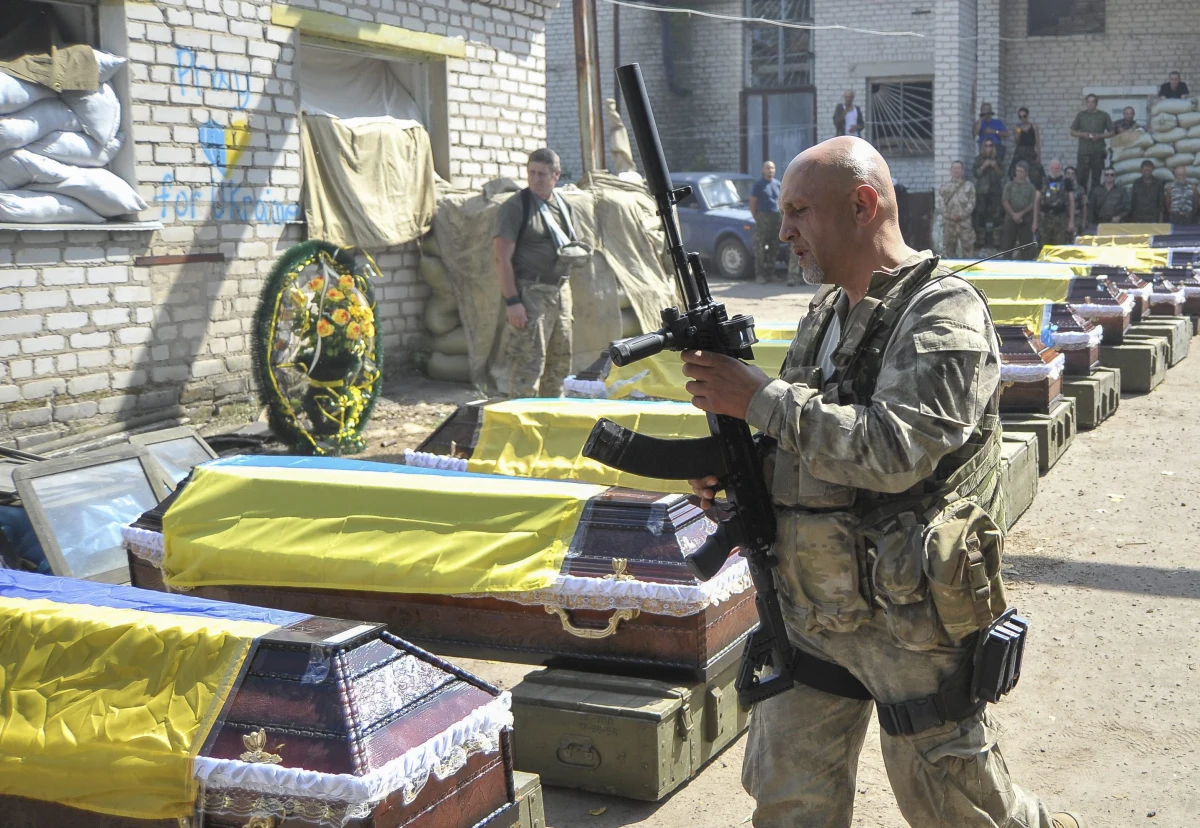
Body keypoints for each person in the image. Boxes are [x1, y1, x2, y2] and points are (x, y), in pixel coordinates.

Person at [682, 135, 1088, 828]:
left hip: (913, 625)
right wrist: (746, 465)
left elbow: (893, 449)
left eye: (800, 211)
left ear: (864, 205)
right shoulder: (825, 313)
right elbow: (806, 433)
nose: (783, 231)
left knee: (960, 808)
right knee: (789, 802)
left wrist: (760, 400)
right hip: (813, 610)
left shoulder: (943, 313)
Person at [493, 148, 576, 398]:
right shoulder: (516, 207)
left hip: (560, 292)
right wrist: (513, 301)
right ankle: (522, 429)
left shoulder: (563, 206)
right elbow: (501, 258)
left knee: (559, 365)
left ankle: (552, 423)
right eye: (532, 173)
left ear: (556, 175)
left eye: (542, 174)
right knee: (528, 368)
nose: (536, 179)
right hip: (531, 294)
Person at [1070, 94, 1114, 192]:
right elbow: (1072, 131)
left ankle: (1095, 203)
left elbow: (1112, 132)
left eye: (1092, 102)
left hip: (1097, 152)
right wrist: (1082, 134)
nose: (1090, 104)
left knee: (1096, 179)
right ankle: (1082, 201)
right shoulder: (1081, 115)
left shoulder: (1103, 115)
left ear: (1096, 103)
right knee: (1081, 179)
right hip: (1083, 152)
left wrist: (1100, 136)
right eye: (1088, 102)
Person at [751, 160, 783, 284]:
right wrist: (756, 217)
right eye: (768, 168)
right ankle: (760, 274)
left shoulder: (777, 184)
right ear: (763, 170)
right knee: (760, 248)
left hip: (776, 219)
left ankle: (771, 273)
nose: (771, 170)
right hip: (763, 218)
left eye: (773, 168)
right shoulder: (759, 185)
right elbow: (753, 202)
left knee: (774, 247)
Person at [1003, 161, 1040, 258]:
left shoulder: (1031, 187)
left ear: (1026, 173)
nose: (1018, 173)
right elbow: (1005, 200)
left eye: (1021, 171)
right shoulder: (1009, 185)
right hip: (1010, 218)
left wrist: (1021, 214)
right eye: (1017, 171)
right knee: (1007, 246)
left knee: (1026, 247)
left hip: (1026, 219)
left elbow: (1033, 203)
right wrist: (1013, 214)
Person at [938, 159, 975, 257]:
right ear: (951, 170)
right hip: (949, 223)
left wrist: (961, 216)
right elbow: (941, 204)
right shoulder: (944, 186)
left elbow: (972, 203)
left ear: (962, 170)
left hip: (964, 223)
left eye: (959, 168)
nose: (956, 170)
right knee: (949, 250)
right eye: (954, 168)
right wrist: (949, 216)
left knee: (968, 249)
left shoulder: (969, 186)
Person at [972, 139, 1005, 249]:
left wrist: (995, 166)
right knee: (981, 216)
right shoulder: (978, 159)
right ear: (983, 147)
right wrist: (983, 166)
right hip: (982, 192)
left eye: (990, 145)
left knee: (997, 216)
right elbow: (975, 174)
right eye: (986, 145)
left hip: (995, 192)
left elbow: (1002, 174)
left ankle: (997, 241)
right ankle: (981, 241)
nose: (988, 148)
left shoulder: (998, 159)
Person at [1040, 159, 1075, 246]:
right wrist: (1035, 222)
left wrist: (1071, 221)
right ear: (1049, 168)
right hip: (1045, 219)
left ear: (1060, 168)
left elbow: (1071, 201)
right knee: (1045, 246)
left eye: (1057, 168)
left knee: (1060, 246)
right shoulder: (1042, 181)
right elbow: (1037, 200)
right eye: (1053, 168)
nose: (1055, 170)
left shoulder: (1067, 182)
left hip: (1061, 219)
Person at [1009, 107, 1043, 186]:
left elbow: (1037, 142)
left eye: (1024, 116)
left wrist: (1039, 155)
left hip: (1030, 152)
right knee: (1015, 174)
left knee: (1035, 175)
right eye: (1020, 117)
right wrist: (1018, 133)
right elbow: (1017, 142)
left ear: (1027, 116)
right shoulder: (1017, 127)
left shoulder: (1034, 126)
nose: (1022, 118)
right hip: (1020, 152)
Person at [1064, 165, 1087, 234]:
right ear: (1064, 175)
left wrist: (1083, 222)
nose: (1070, 175)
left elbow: (1084, 206)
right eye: (1068, 173)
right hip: (1062, 219)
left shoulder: (1080, 189)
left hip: (1076, 219)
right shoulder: (1060, 188)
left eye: (1072, 174)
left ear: (1075, 176)